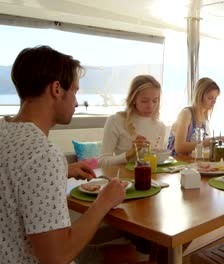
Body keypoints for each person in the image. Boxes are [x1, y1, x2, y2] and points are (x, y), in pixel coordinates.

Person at [0, 45, 134, 263]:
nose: (76, 102)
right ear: (56, 89)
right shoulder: (43, 155)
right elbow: (57, 256)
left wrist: (63, 169)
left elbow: (13, 178)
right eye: (75, 91)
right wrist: (103, 202)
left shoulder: (5, 133)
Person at [99, 75, 166, 167]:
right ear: (133, 99)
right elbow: (102, 162)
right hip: (123, 179)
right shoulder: (115, 120)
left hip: (151, 179)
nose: (150, 106)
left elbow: (156, 163)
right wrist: (129, 154)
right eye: (144, 101)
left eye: (155, 101)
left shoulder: (160, 126)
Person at [168, 77, 220, 155]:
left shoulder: (203, 117)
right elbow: (179, 148)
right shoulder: (186, 114)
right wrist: (209, 142)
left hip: (190, 163)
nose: (214, 102)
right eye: (210, 98)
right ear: (199, 96)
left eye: (215, 98)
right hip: (176, 163)